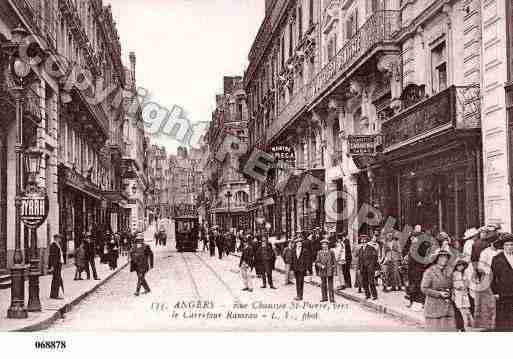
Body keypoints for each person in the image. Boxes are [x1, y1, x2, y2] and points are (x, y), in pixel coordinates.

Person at [421, 249, 456, 331]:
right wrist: (439, 293)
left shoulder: (449, 271)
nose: (444, 260)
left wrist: (453, 293)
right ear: (436, 259)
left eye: (446, 258)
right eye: (441, 258)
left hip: (447, 307)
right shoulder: (430, 271)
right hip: (434, 308)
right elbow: (424, 288)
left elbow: (452, 285)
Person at [475, 230, 501, 330]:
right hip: (488, 279)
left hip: (499, 279)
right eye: (495, 241)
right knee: (488, 304)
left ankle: (496, 323)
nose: (497, 243)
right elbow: (480, 266)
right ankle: (487, 325)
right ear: (490, 242)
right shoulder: (485, 252)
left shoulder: (500, 252)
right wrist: (489, 271)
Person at [402, 225, 428, 311]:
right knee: (411, 286)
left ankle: (421, 303)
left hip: (419, 269)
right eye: (411, 237)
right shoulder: (411, 246)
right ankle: (412, 301)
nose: (412, 239)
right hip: (411, 269)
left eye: (414, 237)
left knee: (419, 286)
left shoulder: (422, 246)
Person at [491, 233, 513, 331]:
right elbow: (492, 277)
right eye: (507, 245)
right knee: (503, 318)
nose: (510, 247)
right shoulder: (497, 259)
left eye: (511, 245)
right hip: (503, 292)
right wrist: (495, 292)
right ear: (503, 246)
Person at [452, 256, 473, 331]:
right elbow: (452, 283)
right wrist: (456, 288)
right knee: (460, 309)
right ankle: (463, 324)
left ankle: (470, 323)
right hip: (457, 293)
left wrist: (465, 286)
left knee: (467, 309)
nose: (461, 267)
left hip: (464, 293)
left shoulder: (464, 274)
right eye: (459, 265)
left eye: (462, 265)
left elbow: (467, 282)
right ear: (456, 266)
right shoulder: (454, 274)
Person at [315, 238, 336, 303]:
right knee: (323, 284)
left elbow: (334, 261)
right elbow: (317, 262)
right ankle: (324, 297)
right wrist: (321, 265)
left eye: (326, 244)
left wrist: (333, 268)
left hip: (330, 270)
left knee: (330, 285)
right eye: (323, 245)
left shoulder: (331, 252)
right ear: (321, 245)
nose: (324, 246)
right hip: (322, 270)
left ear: (328, 245)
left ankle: (332, 298)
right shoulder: (319, 252)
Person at [360, 234, 380, 300]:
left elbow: (375, 258)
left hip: (370, 268)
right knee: (365, 282)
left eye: (364, 241)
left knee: (371, 282)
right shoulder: (361, 249)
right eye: (362, 241)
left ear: (366, 241)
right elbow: (360, 259)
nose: (363, 242)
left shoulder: (371, 248)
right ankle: (367, 295)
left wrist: (376, 268)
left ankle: (374, 295)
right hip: (363, 268)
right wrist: (359, 267)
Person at [48, 234, 65, 299]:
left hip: (58, 264)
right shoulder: (53, 245)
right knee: (56, 279)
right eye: (59, 238)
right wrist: (52, 266)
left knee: (56, 279)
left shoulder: (57, 245)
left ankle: (54, 294)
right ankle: (55, 295)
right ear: (56, 238)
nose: (60, 239)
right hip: (56, 265)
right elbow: (52, 257)